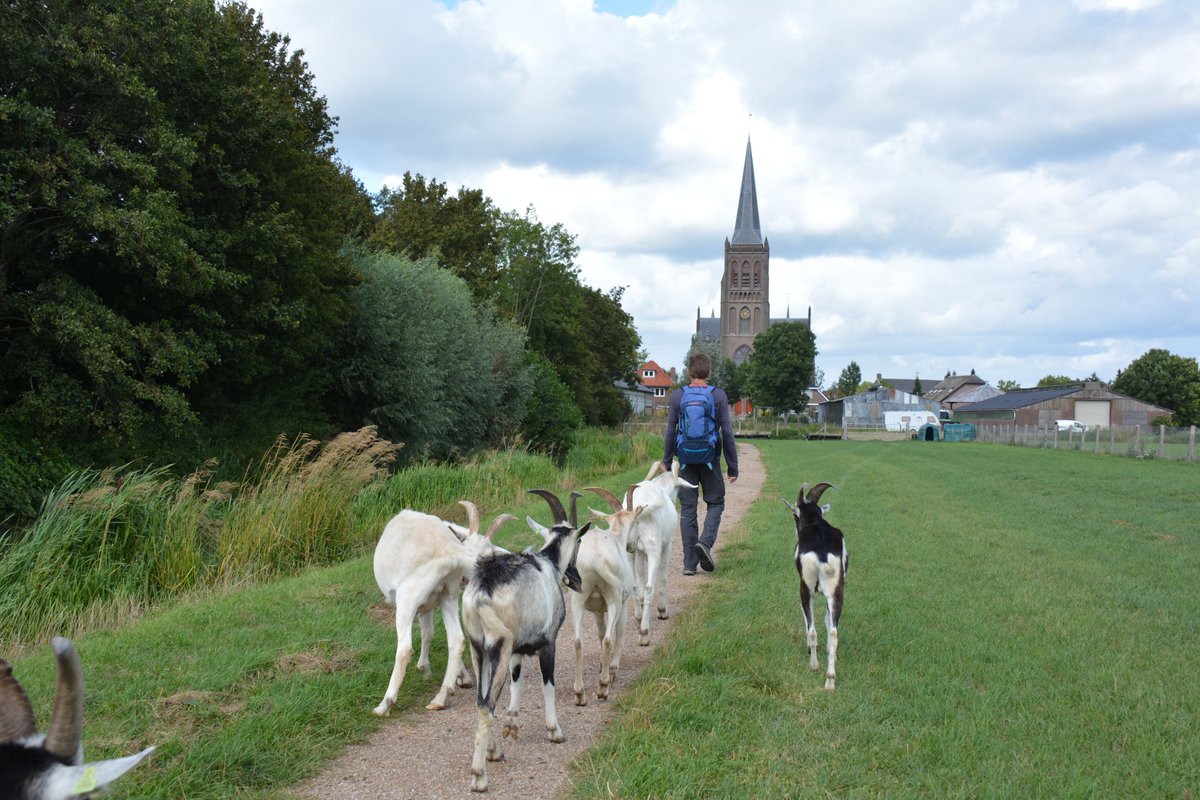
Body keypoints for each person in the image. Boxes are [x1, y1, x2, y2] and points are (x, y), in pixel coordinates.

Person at [662, 352, 738, 575]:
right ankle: (705, 543)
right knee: (716, 503)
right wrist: (732, 466)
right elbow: (727, 433)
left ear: (688, 372)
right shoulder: (718, 395)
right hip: (710, 460)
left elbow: (670, 431)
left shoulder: (677, 396)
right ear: (709, 372)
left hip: (685, 460)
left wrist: (667, 460)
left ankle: (689, 564)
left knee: (688, 508)